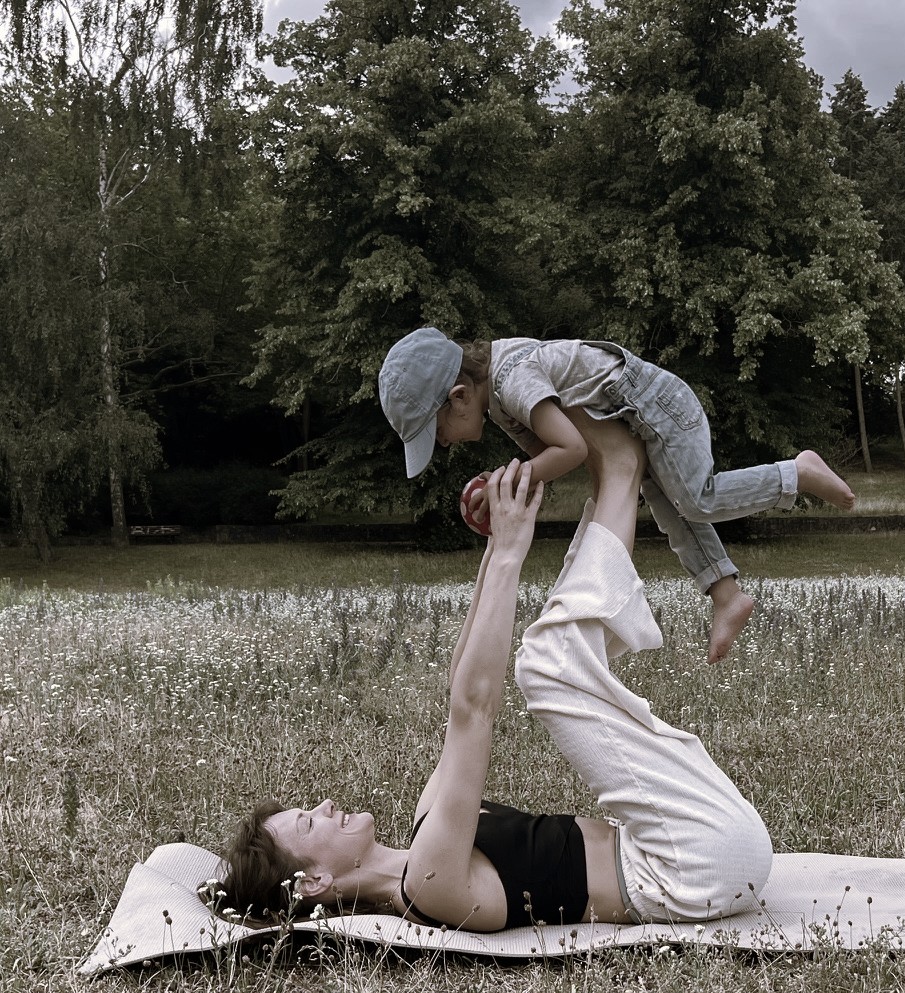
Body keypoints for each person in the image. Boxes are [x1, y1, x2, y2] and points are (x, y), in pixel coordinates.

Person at [222, 417, 773, 930]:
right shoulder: (430, 885)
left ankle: (617, 480)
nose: (324, 806)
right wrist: (511, 551)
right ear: (313, 883)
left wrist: (492, 552)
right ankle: (621, 471)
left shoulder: (426, 838)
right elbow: (474, 711)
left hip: (687, 845)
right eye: (310, 822)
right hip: (693, 864)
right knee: (546, 664)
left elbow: (456, 697)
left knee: (560, 653)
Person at [378, 327, 855, 663]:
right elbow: (552, 455)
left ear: (460, 395)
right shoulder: (501, 402)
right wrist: (511, 481)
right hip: (633, 417)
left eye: (437, 431)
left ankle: (796, 472)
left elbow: (570, 449)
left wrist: (516, 473)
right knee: (673, 508)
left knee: (697, 499)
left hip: (657, 405)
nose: (443, 444)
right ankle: (726, 594)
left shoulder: (510, 379)